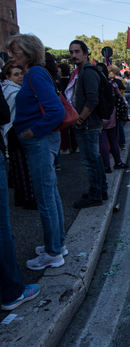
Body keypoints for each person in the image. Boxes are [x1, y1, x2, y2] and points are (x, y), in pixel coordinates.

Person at [6, 33, 67, 270]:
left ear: (29, 52)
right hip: (42, 140)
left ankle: (53, 252)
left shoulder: (35, 73)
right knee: (50, 194)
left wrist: (32, 132)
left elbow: (55, 112)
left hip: (40, 140)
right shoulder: (36, 73)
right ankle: (57, 245)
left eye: (15, 51)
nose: (10, 55)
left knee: (45, 197)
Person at [0, 86, 40, 310]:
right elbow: (4, 114)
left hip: (14, 140)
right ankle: (13, 290)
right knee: (2, 228)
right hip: (13, 139)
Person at [69, 39, 108, 207]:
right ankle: (101, 190)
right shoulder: (83, 71)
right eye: (71, 52)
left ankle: (96, 194)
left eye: (77, 52)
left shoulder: (88, 72)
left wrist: (79, 120)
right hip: (88, 123)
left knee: (90, 160)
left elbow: (92, 100)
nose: (73, 55)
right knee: (95, 159)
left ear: (86, 54)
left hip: (88, 124)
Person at [1, 62, 36, 209]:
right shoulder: (12, 91)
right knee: (23, 166)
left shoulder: (10, 88)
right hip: (15, 131)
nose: (20, 76)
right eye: (16, 74)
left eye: (21, 73)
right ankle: (28, 198)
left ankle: (20, 197)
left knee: (17, 167)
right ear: (8, 76)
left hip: (13, 130)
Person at [97, 63, 128, 173]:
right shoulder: (113, 84)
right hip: (111, 115)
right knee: (114, 140)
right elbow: (120, 98)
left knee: (103, 142)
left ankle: (106, 166)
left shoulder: (95, 84)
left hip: (99, 116)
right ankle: (118, 162)